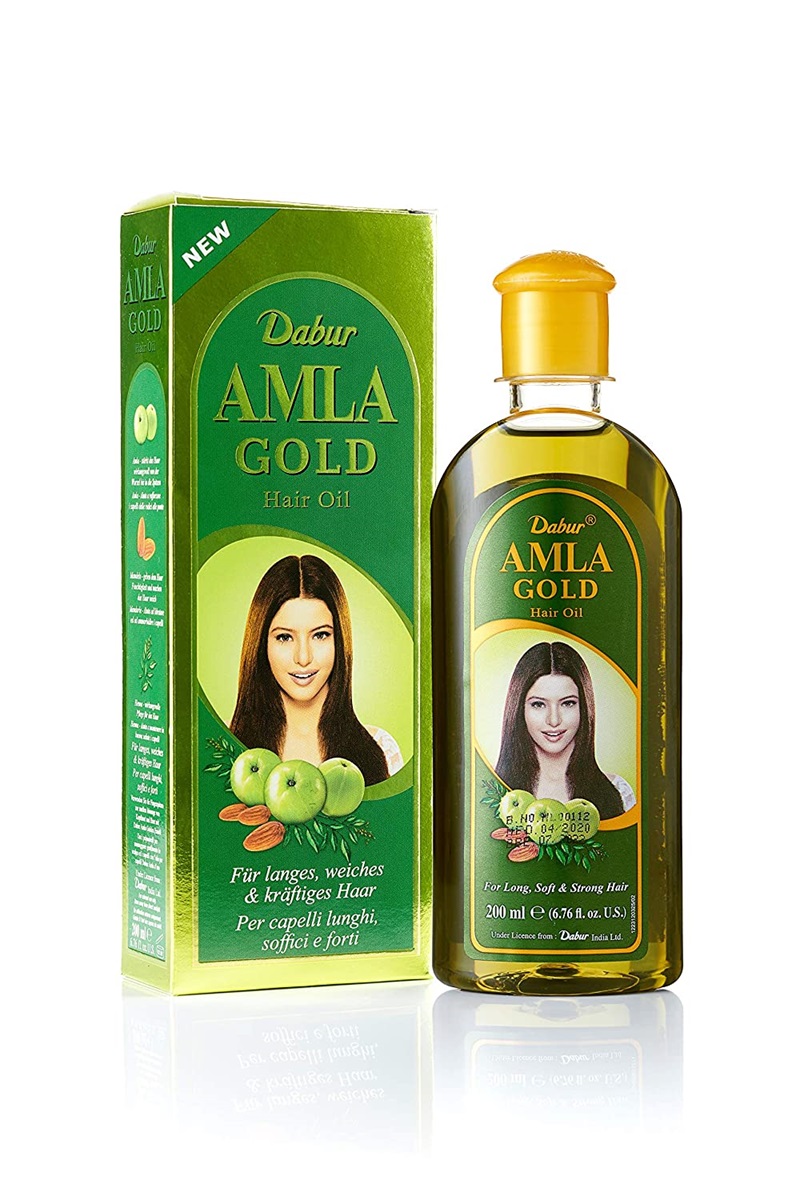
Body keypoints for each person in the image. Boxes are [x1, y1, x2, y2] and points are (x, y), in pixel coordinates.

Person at [230, 554, 400, 783]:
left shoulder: (381, 750)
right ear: (261, 644)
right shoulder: (224, 746)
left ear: (339, 641)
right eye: (284, 637)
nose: (303, 657)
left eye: (320, 635)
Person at [495, 641, 634, 818]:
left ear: (584, 707)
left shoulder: (618, 792)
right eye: (538, 704)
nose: (554, 720)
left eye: (567, 703)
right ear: (518, 709)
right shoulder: (493, 790)